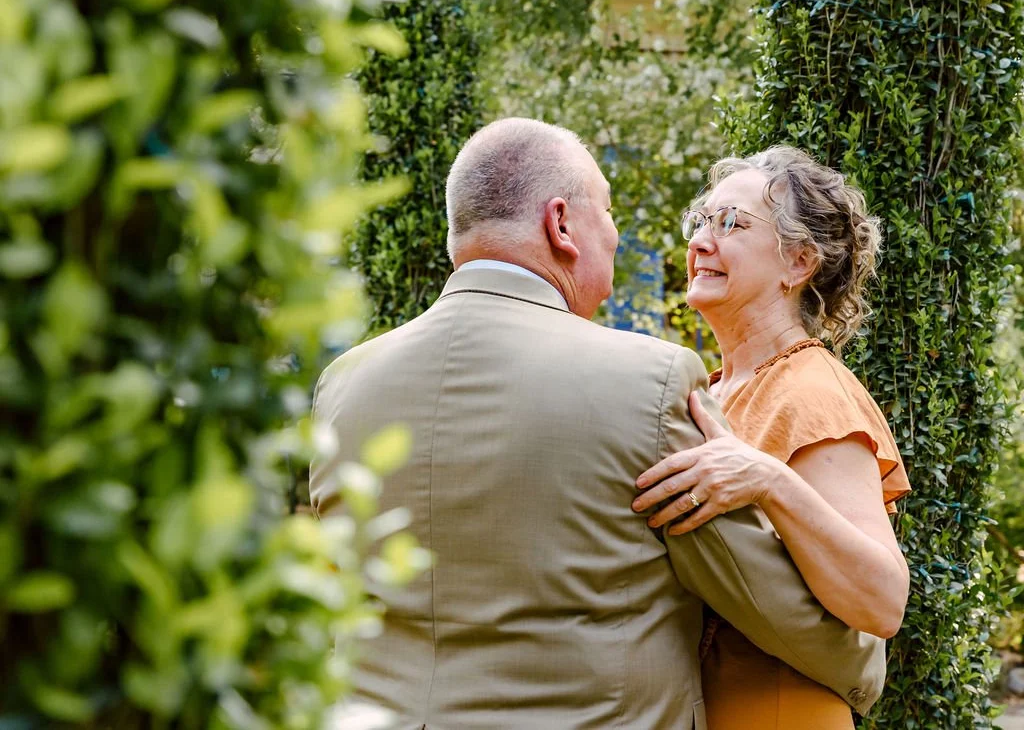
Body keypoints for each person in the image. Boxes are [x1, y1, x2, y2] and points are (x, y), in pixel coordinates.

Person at [310, 119, 886, 730]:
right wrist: (864, 669)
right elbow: (758, 594)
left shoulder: (344, 383)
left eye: (730, 223)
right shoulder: (647, 384)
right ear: (561, 225)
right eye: (608, 211)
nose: (618, 234)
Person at [632, 145, 911, 730]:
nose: (700, 241)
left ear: (799, 262)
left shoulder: (811, 389)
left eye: (730, 223)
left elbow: (883, 602)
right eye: (699, 221)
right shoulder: (712, 389)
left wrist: (769, 479)